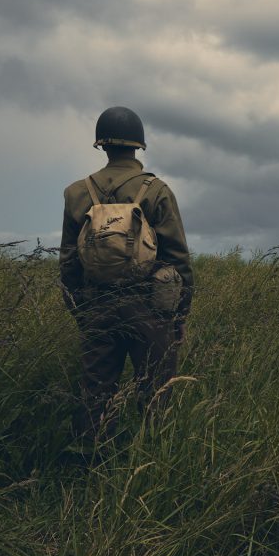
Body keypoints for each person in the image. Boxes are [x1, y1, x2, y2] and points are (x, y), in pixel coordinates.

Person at [59, 106, 193, 440]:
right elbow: (177, 258)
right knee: (157, 395)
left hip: (97, 304)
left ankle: (88, 465)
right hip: (150, 307)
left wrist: (83, 312)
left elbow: (69, 262)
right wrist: (179, 316)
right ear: (138, 145)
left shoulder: (77, 193)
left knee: (95, 395)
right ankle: (153, 464)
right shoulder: (157, 190)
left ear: (101, 144)